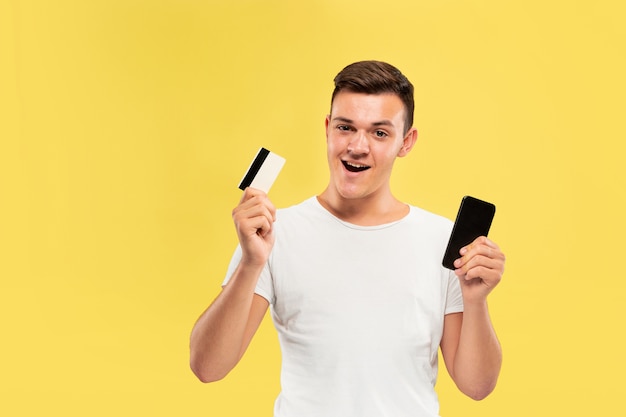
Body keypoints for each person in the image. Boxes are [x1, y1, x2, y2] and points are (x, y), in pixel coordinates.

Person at [190, 60, 505, 417]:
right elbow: (207, 367)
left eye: (380, 133)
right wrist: (250, 264)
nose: (358, 146)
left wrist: (476, 300)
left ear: (407, 141)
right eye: (346, 127)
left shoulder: (442, 241)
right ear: (327, 129)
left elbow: (477, 386)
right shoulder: (274, 234)